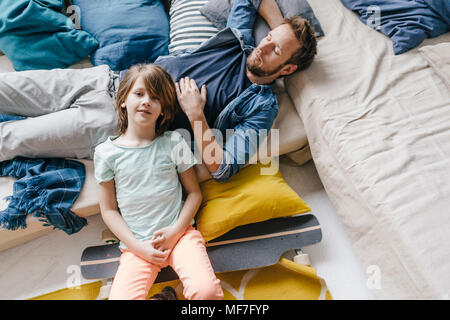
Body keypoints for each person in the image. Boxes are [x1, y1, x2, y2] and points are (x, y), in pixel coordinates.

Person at [0, 0, 317, 182]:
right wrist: (285, 29)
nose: (264, 48)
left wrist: (196, 116)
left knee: (11, 138)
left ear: (288, 69)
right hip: (104, 80)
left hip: (115, 122)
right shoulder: (241, 40)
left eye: (276, 51)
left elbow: (222, 168)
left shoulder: (261, 107)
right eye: (269, 39)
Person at [94, 63, 223, 300]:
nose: (146, 102)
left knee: (207, 292)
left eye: (155, 98)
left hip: (181, 236)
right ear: (123, 100)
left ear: (163, 110)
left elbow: (194, 194)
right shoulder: (106, 153)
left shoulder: (174, 141)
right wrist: (137, 246)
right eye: (139, 94)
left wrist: (176, 231)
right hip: (137, 247)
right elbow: (109, 210)